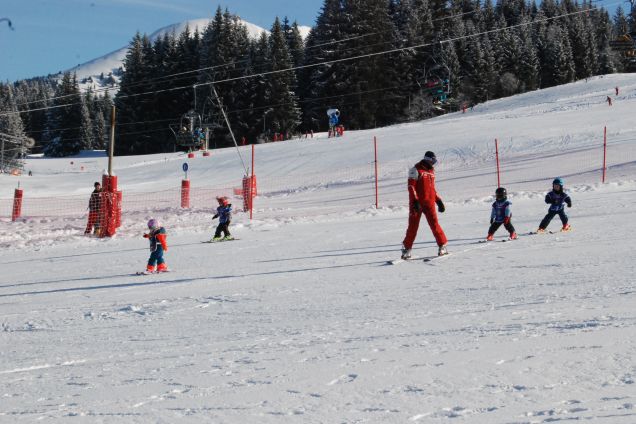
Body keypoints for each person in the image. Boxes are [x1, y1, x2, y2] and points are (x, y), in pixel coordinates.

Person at [401, 151, 448, 259]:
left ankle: (442, 245)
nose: (433, 163)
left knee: (435, 225)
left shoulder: (431, 172)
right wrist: (415, 201)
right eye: (432, 160)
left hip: (429, 203)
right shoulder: (416, 170)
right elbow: (411, 187)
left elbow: (432, 189)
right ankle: (406, 249)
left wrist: (438, 201)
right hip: (417, 204)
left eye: (434, 161)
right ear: (427, 159)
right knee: (413, 227)